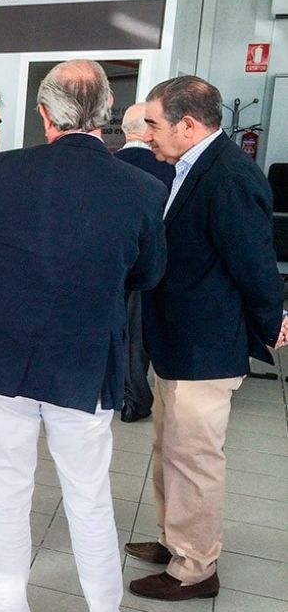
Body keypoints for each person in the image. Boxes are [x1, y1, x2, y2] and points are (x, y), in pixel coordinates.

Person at [0, 60, 166, 612]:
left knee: (8, 496)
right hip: (85, 368)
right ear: (107, 114)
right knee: (89, 499)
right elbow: (150, 273)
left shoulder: (6, 172)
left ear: (43, 114)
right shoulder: (141, 187)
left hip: (4, 362)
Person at [127, 76, 288, 601]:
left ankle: (195, 568)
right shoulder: (187, 167)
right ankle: (175, 539)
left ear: (188, 125)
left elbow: (254, 264)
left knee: (194, 456)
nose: (147, 134)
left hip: (205, 345)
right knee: (169, 448)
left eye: (153, 124)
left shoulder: (229, 177)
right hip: (177, 338)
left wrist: (272, 322)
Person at [115, 103, 176, 423]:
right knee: (151, 330)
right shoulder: (173, 168)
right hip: (164, 263)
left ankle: (130, 394)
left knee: (127, 333)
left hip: (118, 265)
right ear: (149, 130)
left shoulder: (108, 165)